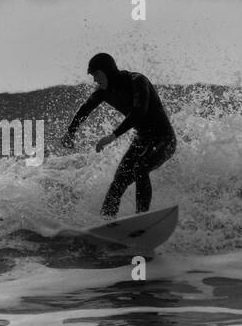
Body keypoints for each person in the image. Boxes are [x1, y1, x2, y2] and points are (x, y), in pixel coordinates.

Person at [61, 53, 176, 217]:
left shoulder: (137, 81)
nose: (95, 80)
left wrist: (113, 136)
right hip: (143, 139)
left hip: (164, 138)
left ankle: (141, 217)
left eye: (97, 75)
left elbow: (139, 112)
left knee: (141, 167)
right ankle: (106, 220)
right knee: (118, 181)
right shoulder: (103, 91)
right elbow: (85, 109)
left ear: (108, 71)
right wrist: (70, 133)